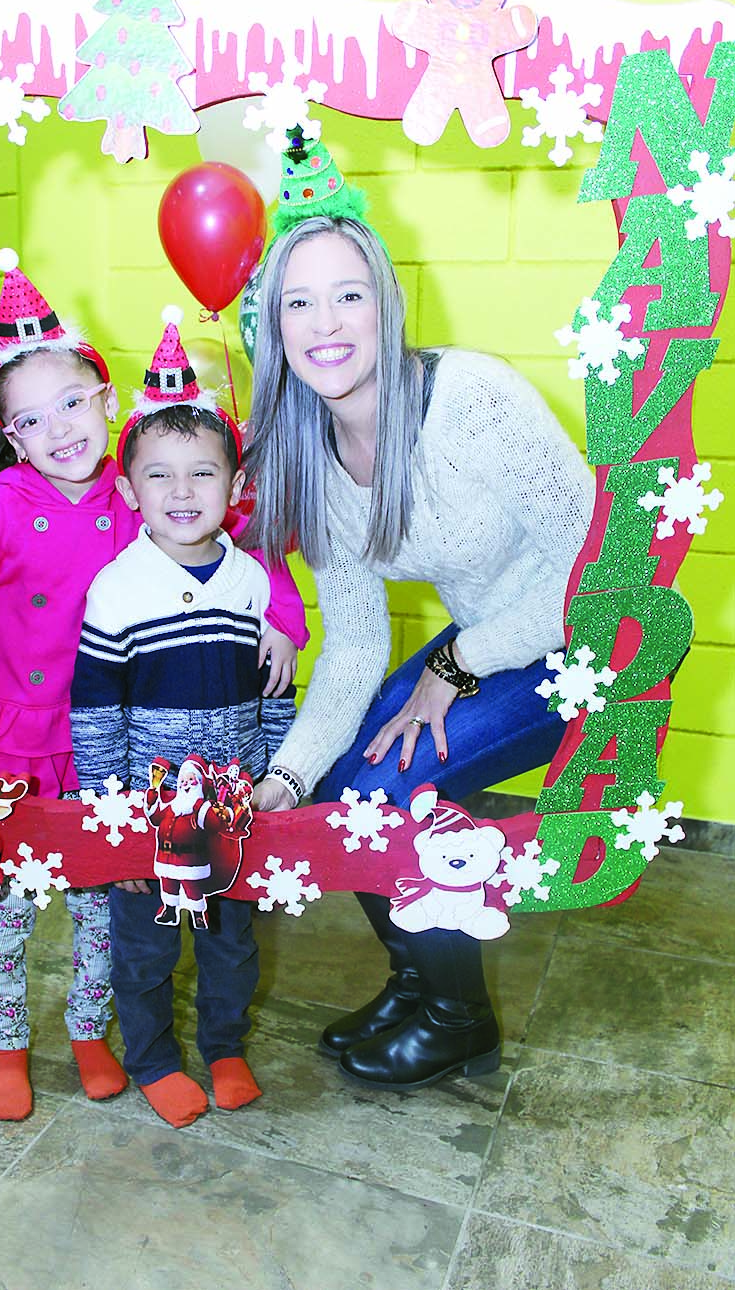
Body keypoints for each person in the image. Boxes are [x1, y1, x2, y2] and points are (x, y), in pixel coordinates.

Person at [245, 198, 594, 1092]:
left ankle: (458, 1018)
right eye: (297, 303)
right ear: (271, 324)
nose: (324, 325)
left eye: (348, 296)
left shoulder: (472, 402)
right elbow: (354, 647)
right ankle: (416, 982)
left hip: (585, 641)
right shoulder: (310, 450)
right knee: (345, 780)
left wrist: (454, 663)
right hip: (487, 639)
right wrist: (284, 776)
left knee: (395, 791)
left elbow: (598, 576)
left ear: (386, 306)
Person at [0, 262, 305, 1121]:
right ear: (9, 433)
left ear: (107, 400)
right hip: (17, 740)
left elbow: (255, 546)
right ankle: (7, 1047)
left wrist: (285, 624)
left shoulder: (140, 493)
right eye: (31, 419)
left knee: (101, 902)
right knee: (7, 902)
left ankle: (89, 1030)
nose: (59, 429)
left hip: (106, 744)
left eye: (73, 403)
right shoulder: (2, 504)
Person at [69, 324, 299, 1129]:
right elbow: (95, 717)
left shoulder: (252, 583)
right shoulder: (116, 590)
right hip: (149, 812)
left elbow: (275, 695)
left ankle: (225, 1045)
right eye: (158, 475)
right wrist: (113, 822)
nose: (181, 490)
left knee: (233, 944)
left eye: (202, 471)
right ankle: (155, 1059)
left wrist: (274, 778)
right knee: (146, 952)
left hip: (236, 802)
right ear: (128, 492)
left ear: (233, 482)